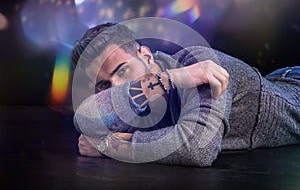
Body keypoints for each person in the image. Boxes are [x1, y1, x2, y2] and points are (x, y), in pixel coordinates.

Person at [71, 22, 300, 167]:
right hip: (272, 80)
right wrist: (167, 80)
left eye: (122, 71)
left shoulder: (201, 65)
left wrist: (109, 147)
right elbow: (85, 119)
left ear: (147, 56)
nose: (116, 88)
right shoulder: (167, 81)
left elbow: (198, 149)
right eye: (104, 85)